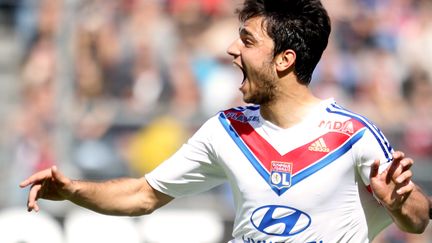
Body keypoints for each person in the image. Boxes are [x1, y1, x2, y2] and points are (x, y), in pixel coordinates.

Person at [19, 0, 430, 242]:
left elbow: (417, 219)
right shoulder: (227, 129)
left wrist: (398, 200)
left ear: (285, 60)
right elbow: (143, 196)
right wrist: (73, 189)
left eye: (248, 41)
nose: (232, 49)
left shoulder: (353, 135)